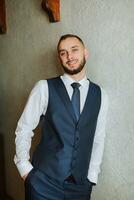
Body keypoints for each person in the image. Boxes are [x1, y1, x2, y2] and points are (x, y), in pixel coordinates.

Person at [14, 34, 108, 200]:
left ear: (85, 53)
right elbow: (24, 128)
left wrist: (92, 176)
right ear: (60, 58)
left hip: (80, 188)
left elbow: (98, 138)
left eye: (74, 50)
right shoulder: (44, 87)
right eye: (63, 53)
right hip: (42, 184)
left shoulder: (100, 94)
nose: (69, 56)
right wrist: (25, 169)